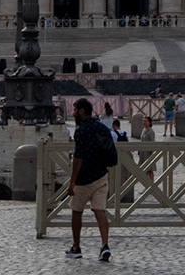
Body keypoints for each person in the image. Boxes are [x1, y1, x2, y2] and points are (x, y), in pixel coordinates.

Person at [65, 98, 115, 262]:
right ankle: (105, 245)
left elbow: (78, 159)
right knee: (100, 211)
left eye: (74, 110)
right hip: (101, 175)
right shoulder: (102, 127)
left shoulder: (81, 132)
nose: (72, 113)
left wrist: (72, 181)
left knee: (77, 211)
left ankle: (76, 247)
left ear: (81, 111)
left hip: (84, 178)